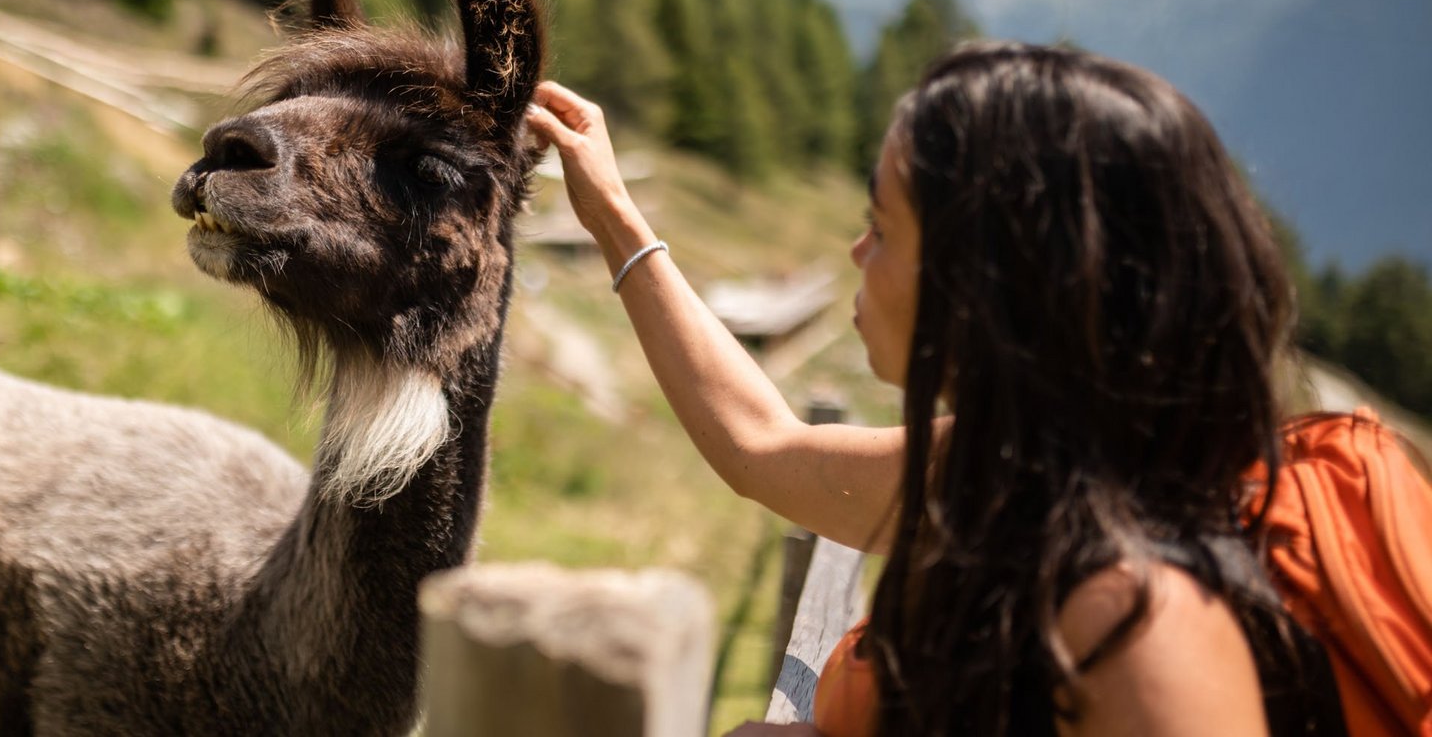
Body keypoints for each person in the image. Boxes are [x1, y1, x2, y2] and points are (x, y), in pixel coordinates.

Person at [525, 41, 1345, 737]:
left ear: (991, 283)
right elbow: (762, 445)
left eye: (881, 227)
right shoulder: (1006, 474)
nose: (855, 252)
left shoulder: (1143, 630)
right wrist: (615, 218)